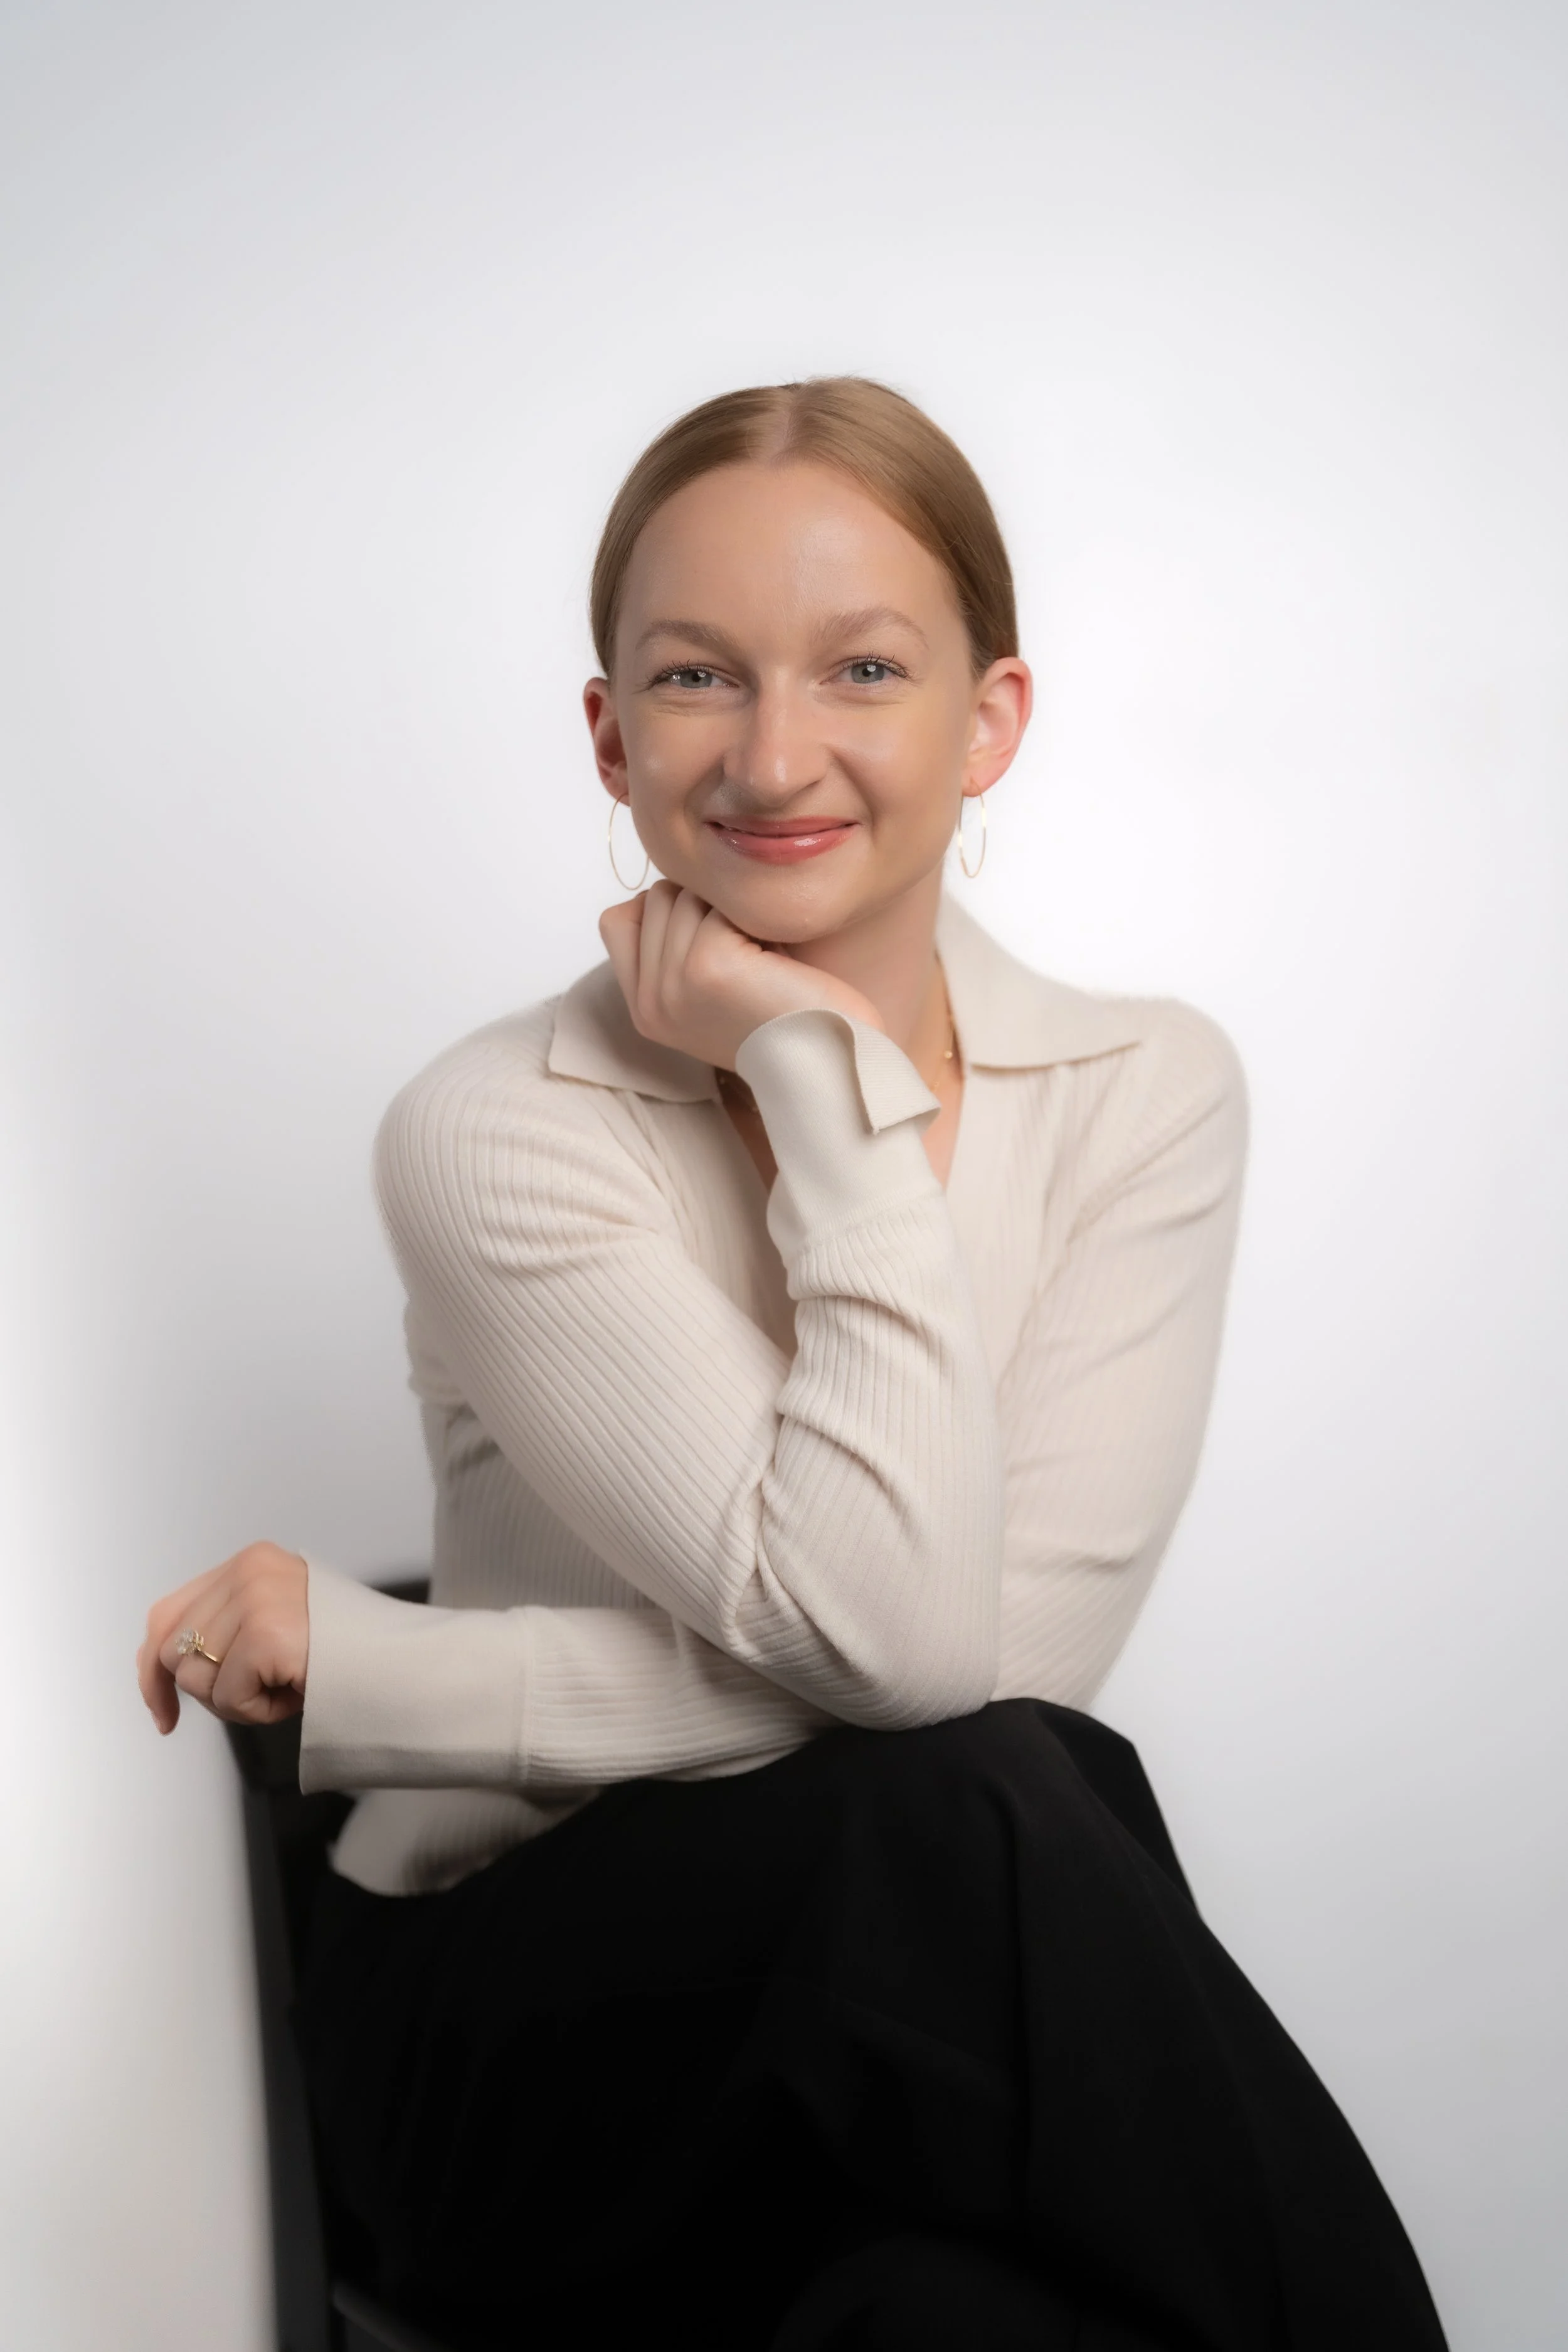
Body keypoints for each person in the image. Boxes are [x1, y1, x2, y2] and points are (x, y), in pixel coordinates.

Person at [138, 378, 1448, 2352]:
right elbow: (919, 1689)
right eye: (691, 676)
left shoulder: (1140, 1094)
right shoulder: (499, 1124)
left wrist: (408, 1677)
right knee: (986, 1805)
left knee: (939, 2315)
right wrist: (820, 1080)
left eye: (860, 666)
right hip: (518, 2041)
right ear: (608, 728)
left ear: (988, 717)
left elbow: (965, 1659)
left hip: (898, 2046)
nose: (772, 754)